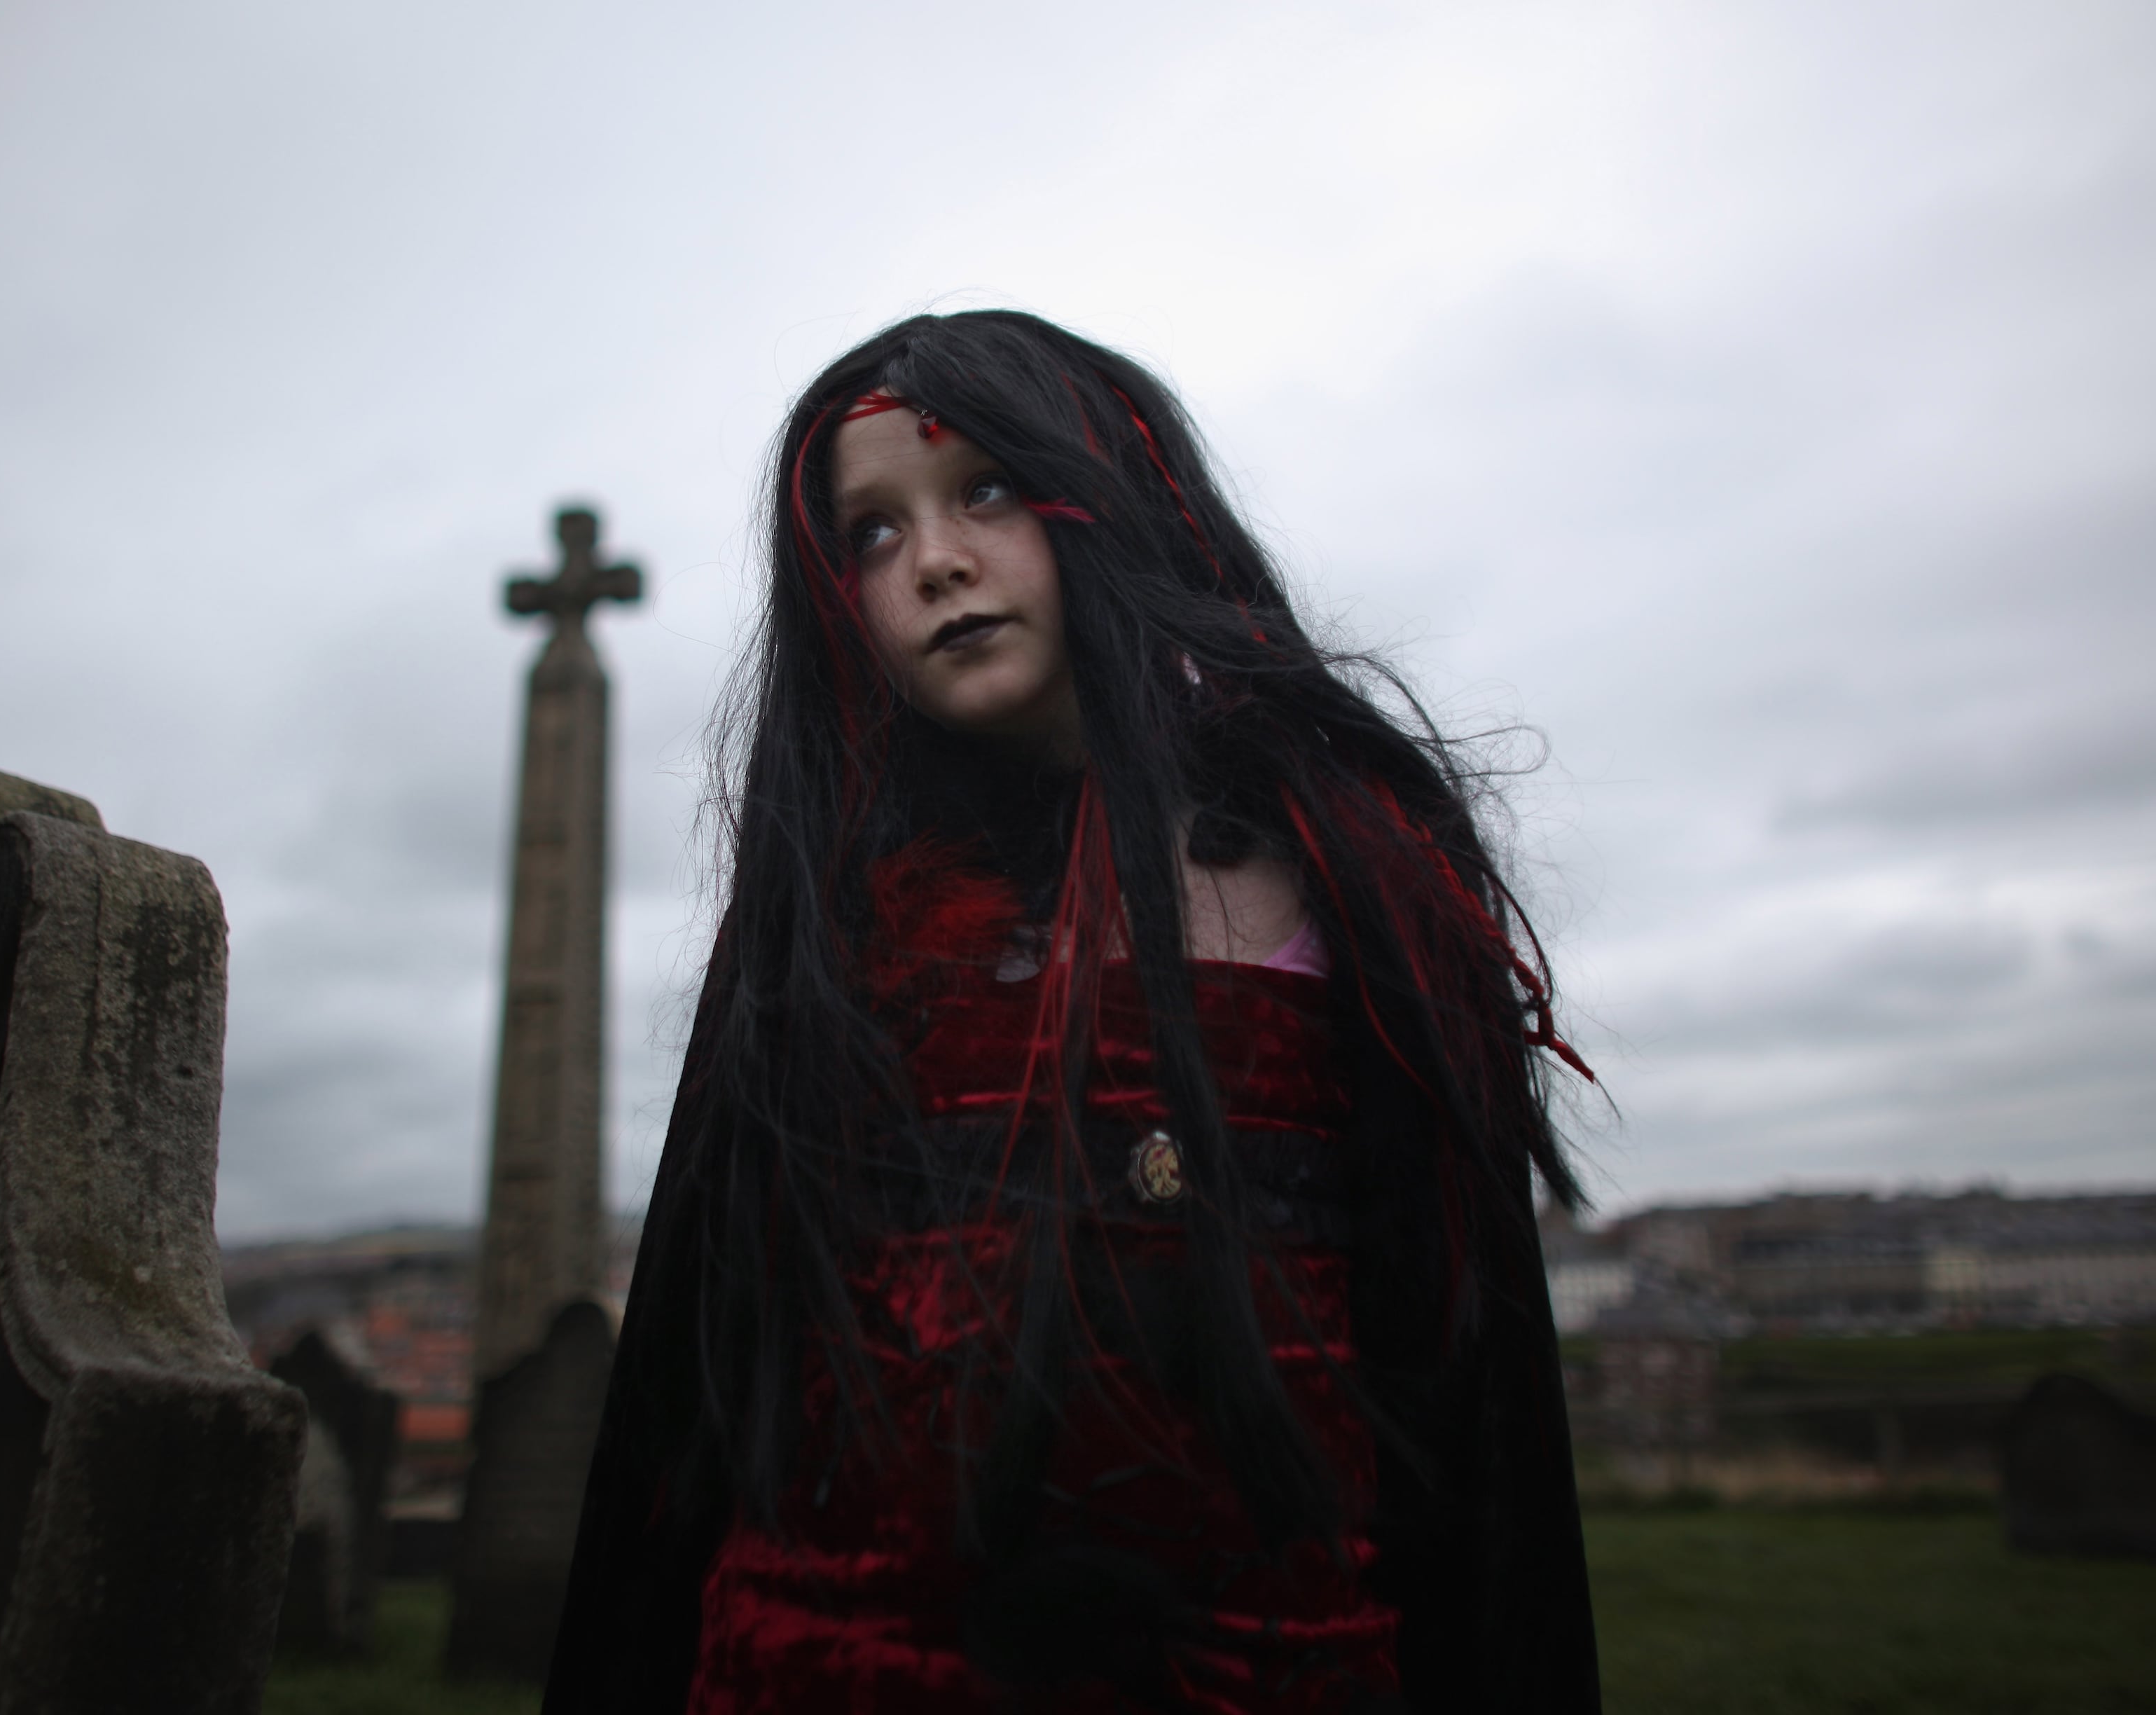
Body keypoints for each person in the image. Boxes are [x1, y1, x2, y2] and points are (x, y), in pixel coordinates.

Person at [546, 310, 1599, 1712]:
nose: (935, 561)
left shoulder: (1343, 878)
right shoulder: (833, 924)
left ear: (1103, 494)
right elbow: (699, 1385)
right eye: (870, 533)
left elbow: (1464, 1389)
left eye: (986, 488)